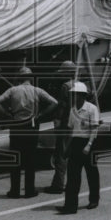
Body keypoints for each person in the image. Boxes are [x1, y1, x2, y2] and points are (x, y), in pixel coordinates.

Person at [0, 66, 58, 199]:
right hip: (31, 126)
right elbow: (54, 102)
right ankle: (29, 191)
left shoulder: (13, 90)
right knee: (30, 159)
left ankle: (14, 191)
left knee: (16, 159)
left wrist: (7, 113)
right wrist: (41, 114)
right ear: (31, 78)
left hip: (16, 126)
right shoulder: (37, 90)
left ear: (20, 78)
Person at [58, 81, 100, 214]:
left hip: (89, 143)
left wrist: (88, 145)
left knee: (92, 173)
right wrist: (66, 148)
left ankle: (94, 200)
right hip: (76, 143)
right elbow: (71, 131)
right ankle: (70, 206)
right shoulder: (73, 110)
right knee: (73, 176)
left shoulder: (92, 109)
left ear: (82, 95)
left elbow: (94, 129)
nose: (73, 97)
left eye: (75, 94)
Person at [44, 60, 77, 194]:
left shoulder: (66, 86)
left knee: (61, 155)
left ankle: (58, 185)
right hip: (78, 123)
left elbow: (62, 106)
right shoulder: (82, 85)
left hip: (66, 124)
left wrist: (57, 119)